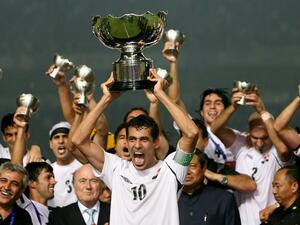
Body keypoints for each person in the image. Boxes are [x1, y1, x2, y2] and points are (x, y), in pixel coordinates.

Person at [72, 70, 199, 225]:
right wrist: (106, 98)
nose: (137, 145)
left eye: (144, 139)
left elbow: (191, 133)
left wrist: (160, 94)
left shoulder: (172, 169)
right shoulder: (115, 168)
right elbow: (79, 140)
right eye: (132, 139)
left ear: (156, 142)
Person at [210, 86, 293, 225]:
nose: (259, 143)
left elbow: (284, 150)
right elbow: (215, 129)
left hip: (272, 219)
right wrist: (233, 106)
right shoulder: (242, 144)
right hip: (243, 221)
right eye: (255, 138)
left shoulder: (277, 149)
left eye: (264, 138)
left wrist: (261, 109)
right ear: (248, 132)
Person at [162, 40, 235, 167]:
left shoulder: (234, 137)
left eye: (218, 103)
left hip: (219, 186)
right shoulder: (192, 129)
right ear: (201, 111)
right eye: (207, 103)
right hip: (191, 182)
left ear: (227, 110)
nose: (212, 106)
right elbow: (175, 101)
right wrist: (173, 62)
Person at [179, 149, 241, 225]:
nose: (187, 171)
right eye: (182, 166)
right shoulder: (168, 199)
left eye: (192, 166)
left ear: (204, 167)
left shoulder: (223, 199)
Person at [47, 121, 82, 207]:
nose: (61, 141)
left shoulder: (84, 166)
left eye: (65, 136)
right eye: (56, 137)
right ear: (50, 144)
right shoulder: (46, 172)